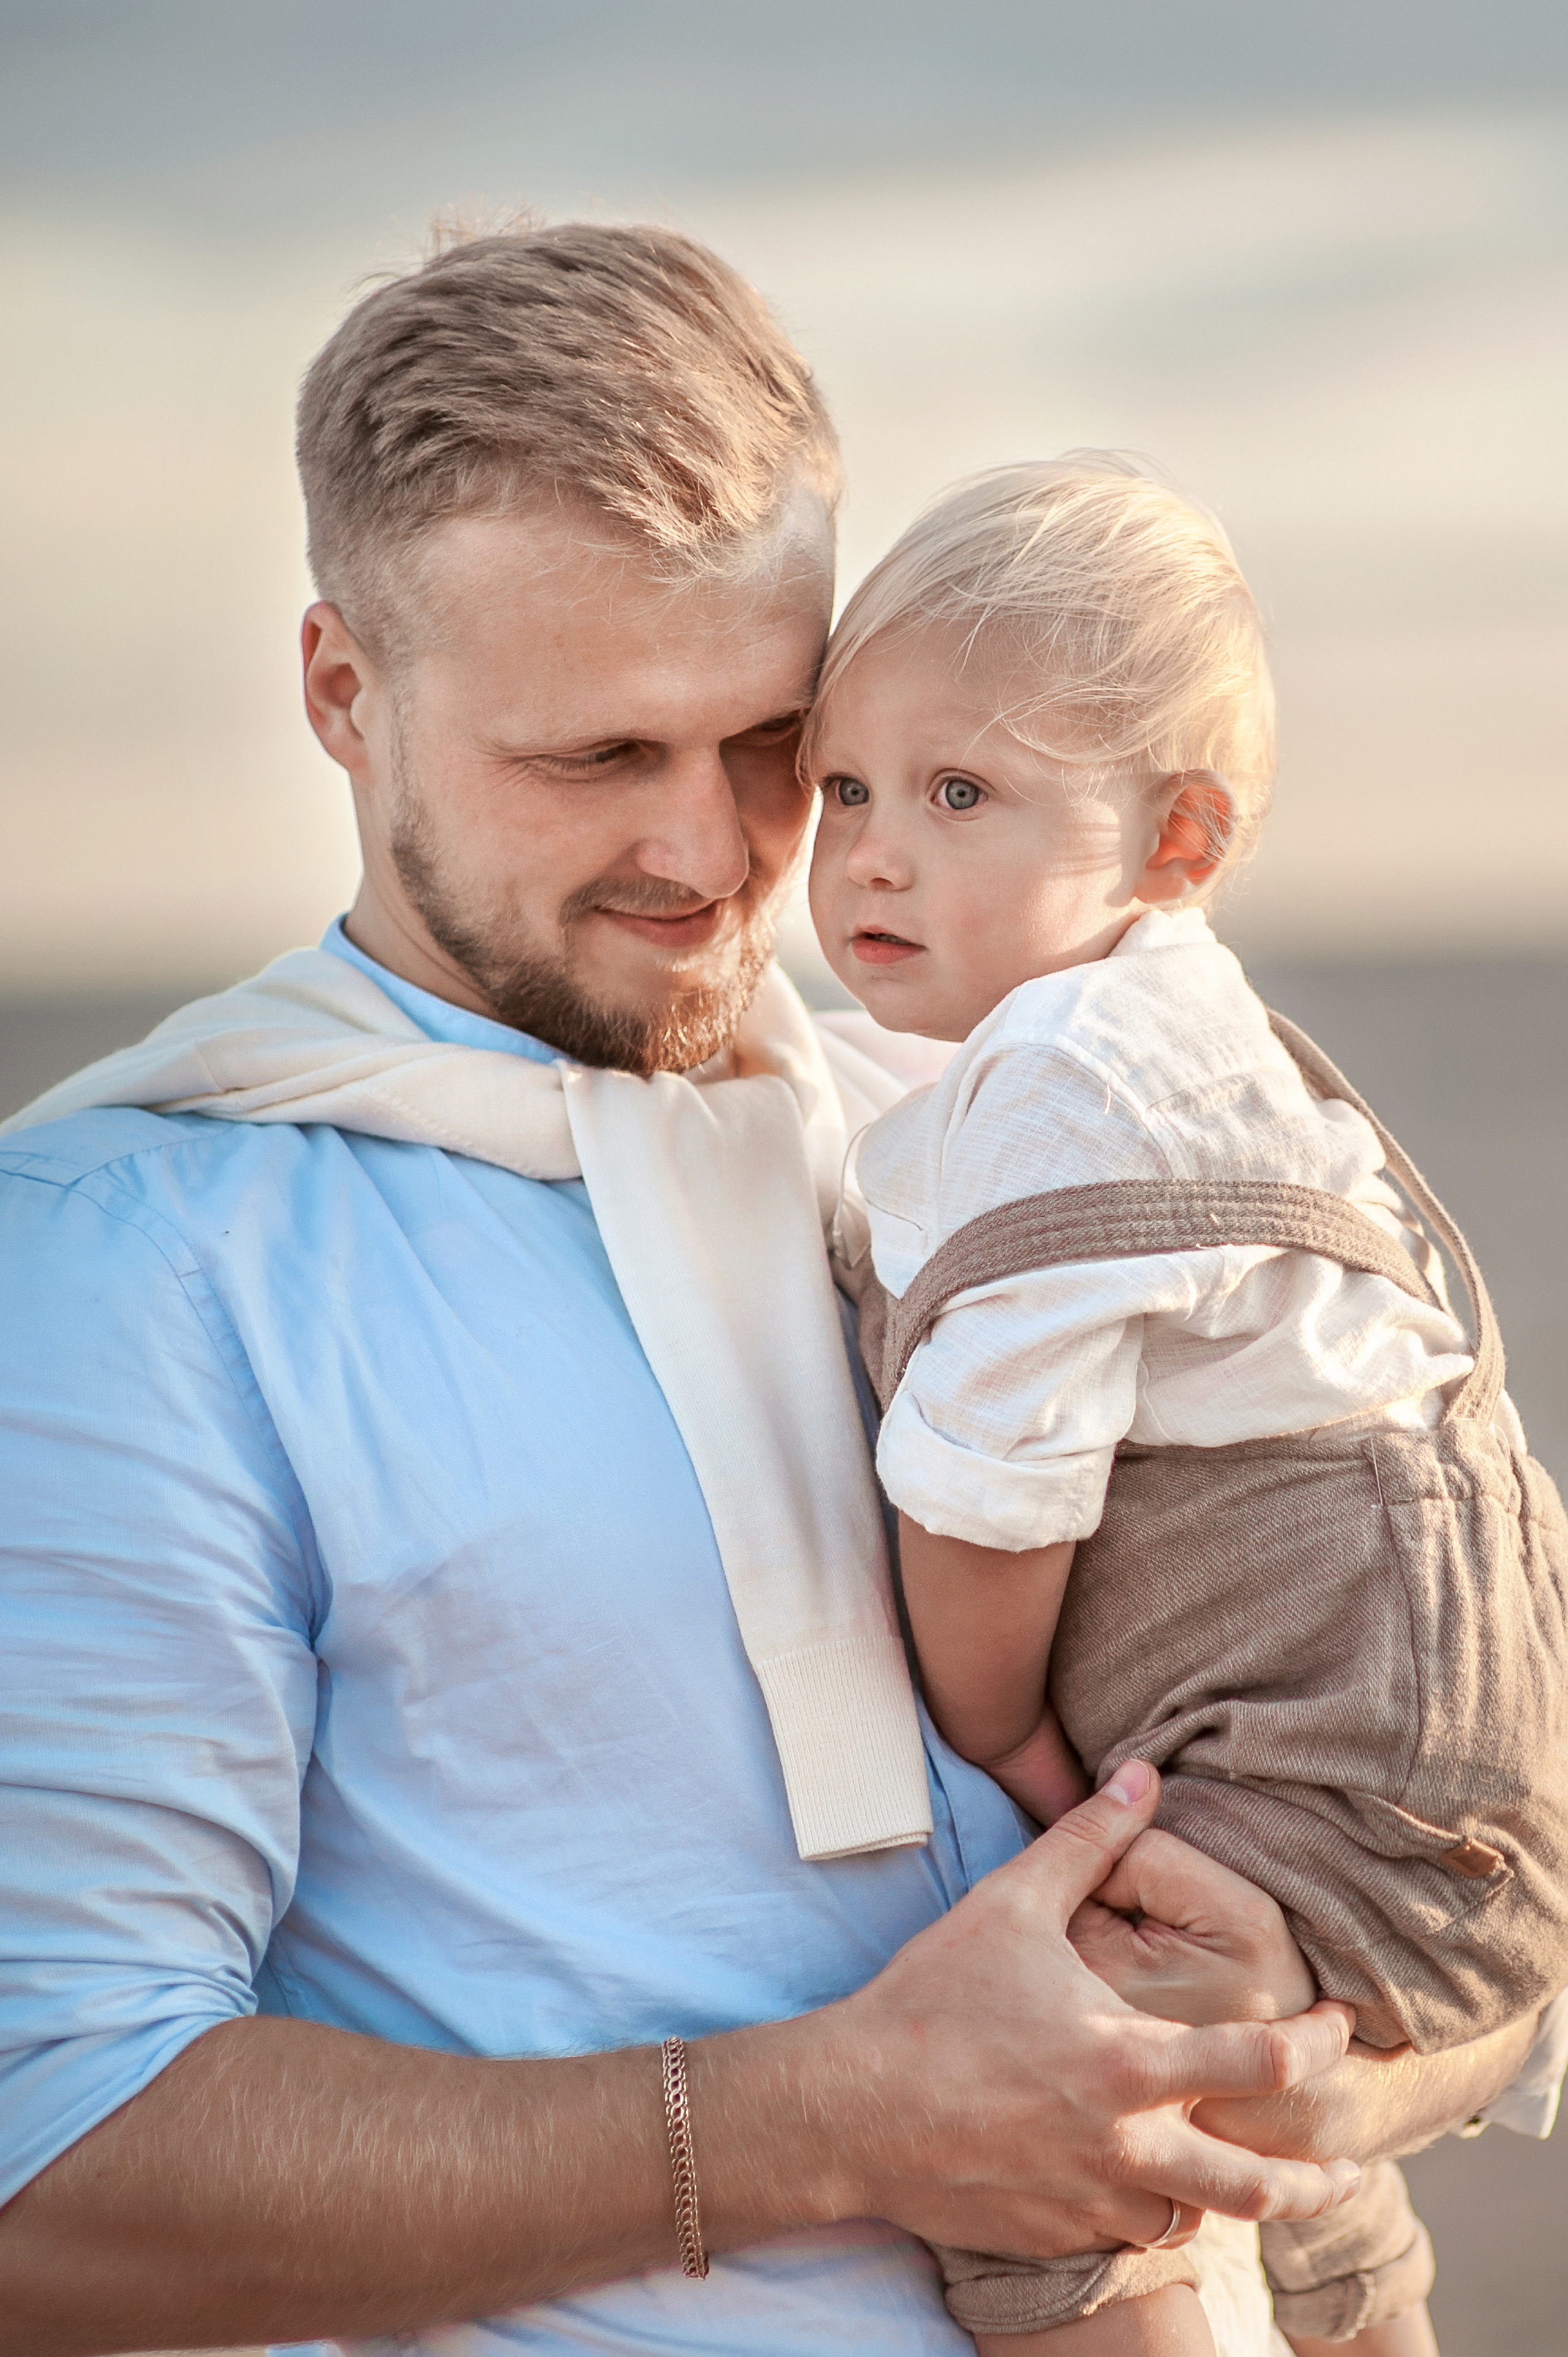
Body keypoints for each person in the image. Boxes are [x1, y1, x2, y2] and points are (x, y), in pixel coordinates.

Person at [0, 224, 1549, 2357]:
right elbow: (45, 2182)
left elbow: (1442, 1860)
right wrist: (829, 2126)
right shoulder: (122, 1266)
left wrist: (1329, 2067)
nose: (718, 853)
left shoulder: (972, 1138)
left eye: (769, 744)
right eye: (593, 758)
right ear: (345, 694)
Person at [804, 456, 1568, 2356]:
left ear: (1178, 839)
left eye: (959, 793)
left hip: (1346, 1734)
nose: (873, 855)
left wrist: (1011, 1751)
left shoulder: (1061, 1080)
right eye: (844, 790)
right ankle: (1364, 2312)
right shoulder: (1193, 1039)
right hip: (1437, 1728)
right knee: (1266, 2076)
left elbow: (992, 1499)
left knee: (1042, 2123)